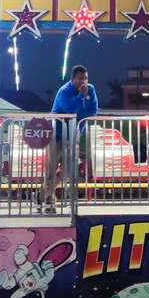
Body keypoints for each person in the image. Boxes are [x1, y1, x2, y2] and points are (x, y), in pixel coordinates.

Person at [46, 65, 98, 212]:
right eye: (80, 78)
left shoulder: (91, 89)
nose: (84, 82)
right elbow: (70, 110)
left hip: (73, 135)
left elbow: (93, 110)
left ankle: (43, 193)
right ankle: (49, 200)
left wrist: (77, 118)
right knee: (51, 168)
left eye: (86, 78)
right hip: (55, 134)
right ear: (72, 79)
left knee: (69, 170)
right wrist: (81, 97)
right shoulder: (64, 91)